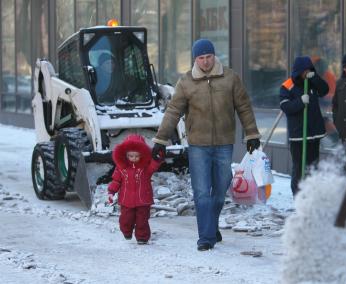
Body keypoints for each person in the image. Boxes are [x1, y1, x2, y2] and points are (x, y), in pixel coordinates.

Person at [151, 39, 261, 251]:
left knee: (220, 191)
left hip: (224, 144)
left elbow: (244, 107)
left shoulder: (230, 78)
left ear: (214, 55)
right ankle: (206, 237)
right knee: (201, 191)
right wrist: (161, 139)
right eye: (201, 58)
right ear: (195, 59)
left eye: (208, 57)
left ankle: (211, 226)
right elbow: (173, 111)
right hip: (198, 145)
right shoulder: (186, 82)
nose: (205, 62)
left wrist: (252, 134)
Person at [279, 56, 329, 196]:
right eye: (304, 70)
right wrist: (300, 102)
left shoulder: (312, 82)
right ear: (298, 71)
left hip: (314, 133)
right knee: (299, 167)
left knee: (313, 167)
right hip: (298, 135)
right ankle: (298, 196)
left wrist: (315, 78)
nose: (306, 72)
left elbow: (324, 90)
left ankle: (312, 195)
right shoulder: (288, 86)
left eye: (309, 69)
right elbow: (285, 106)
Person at [108, 134, 163, 245]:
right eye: (131, 156)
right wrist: (111, 192)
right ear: (125, 155)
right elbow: (116, 181)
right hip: (126, 200)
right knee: (126, 219)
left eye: (137, 156)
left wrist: (158, 157)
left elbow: (154, 165)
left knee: (142, 220)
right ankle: (126, 231)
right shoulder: (121, 167)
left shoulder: (145, 168)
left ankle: (142, 237)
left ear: (142, 155)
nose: (134, 159)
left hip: (143, 200)